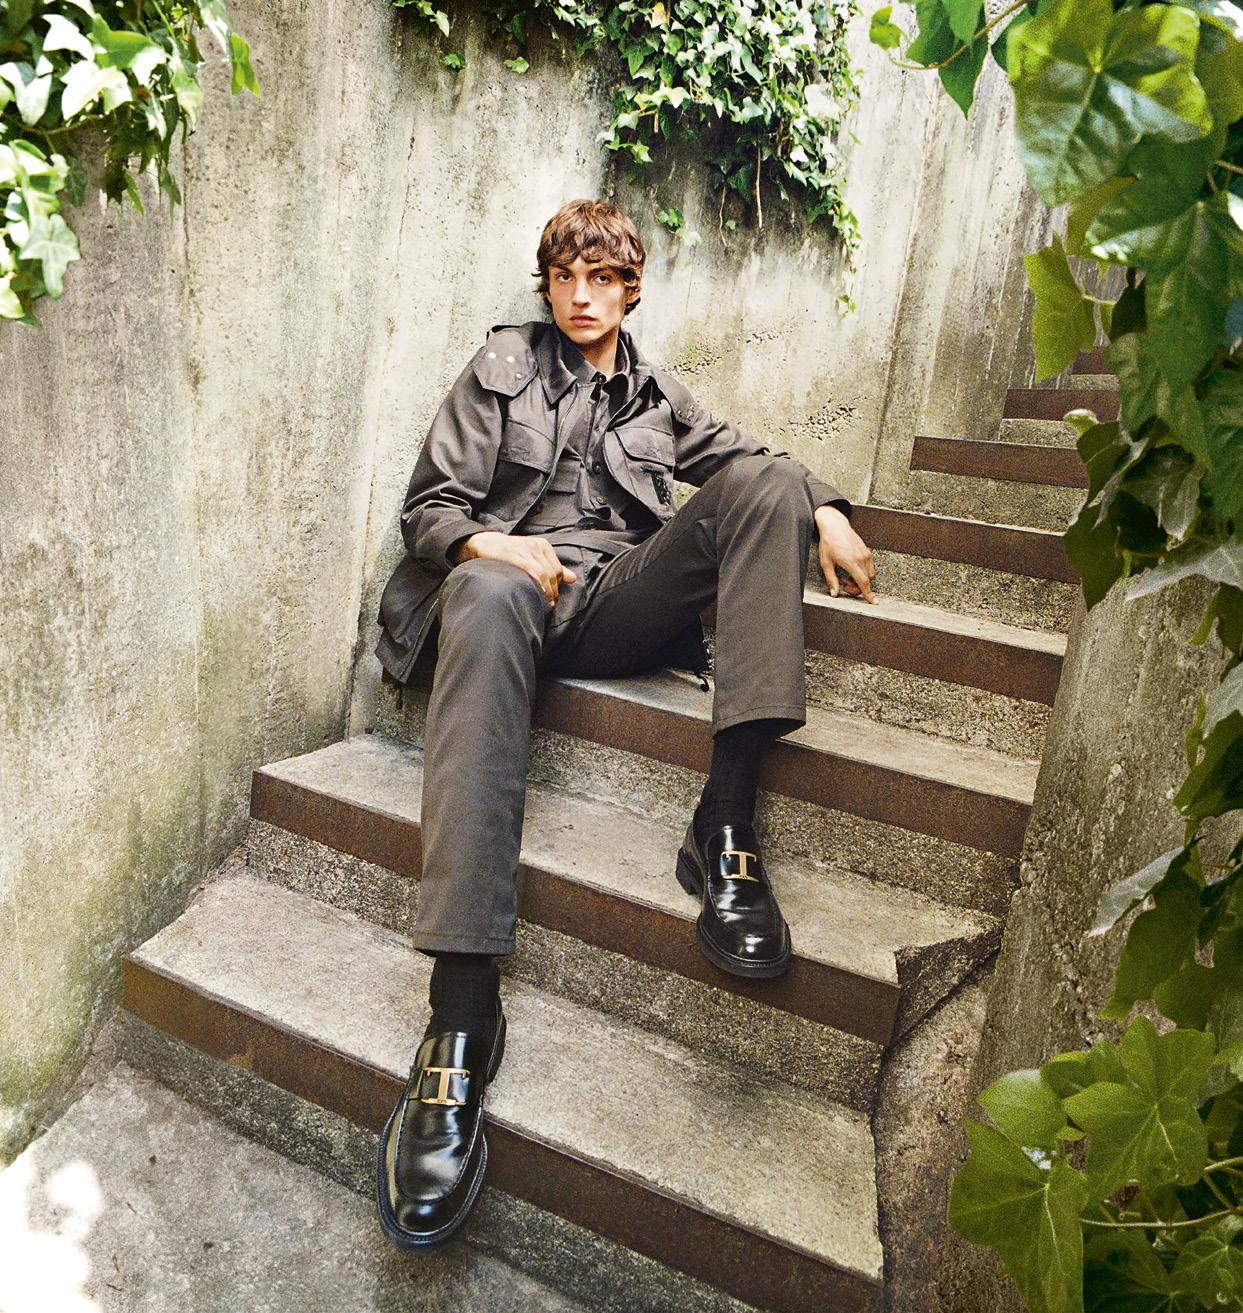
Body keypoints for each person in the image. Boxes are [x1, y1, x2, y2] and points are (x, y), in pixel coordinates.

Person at [373, 199, 877, 1252]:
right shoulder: (501, 367)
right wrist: (491, 547)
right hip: (510, 600)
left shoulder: (656, 393)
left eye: (601, 278)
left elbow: (756, 459)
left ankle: (723, 823)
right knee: (485, 592)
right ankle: (460, 1012)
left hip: (611, 605)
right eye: (565, 277)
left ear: (630, 288)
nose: (582, 296)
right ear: (547, 286)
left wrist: (825, 507)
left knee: (765, 485)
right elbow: (429, 509)